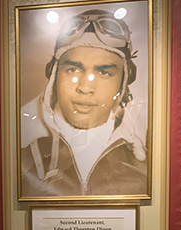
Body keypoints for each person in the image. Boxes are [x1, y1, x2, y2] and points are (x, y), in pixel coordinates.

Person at [20, 10, 147, 198]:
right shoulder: (16, 142)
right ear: (53, 74)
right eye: (73, 69)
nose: (85, 87)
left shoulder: (148, 148)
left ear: (125, 80)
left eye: (104, 72)